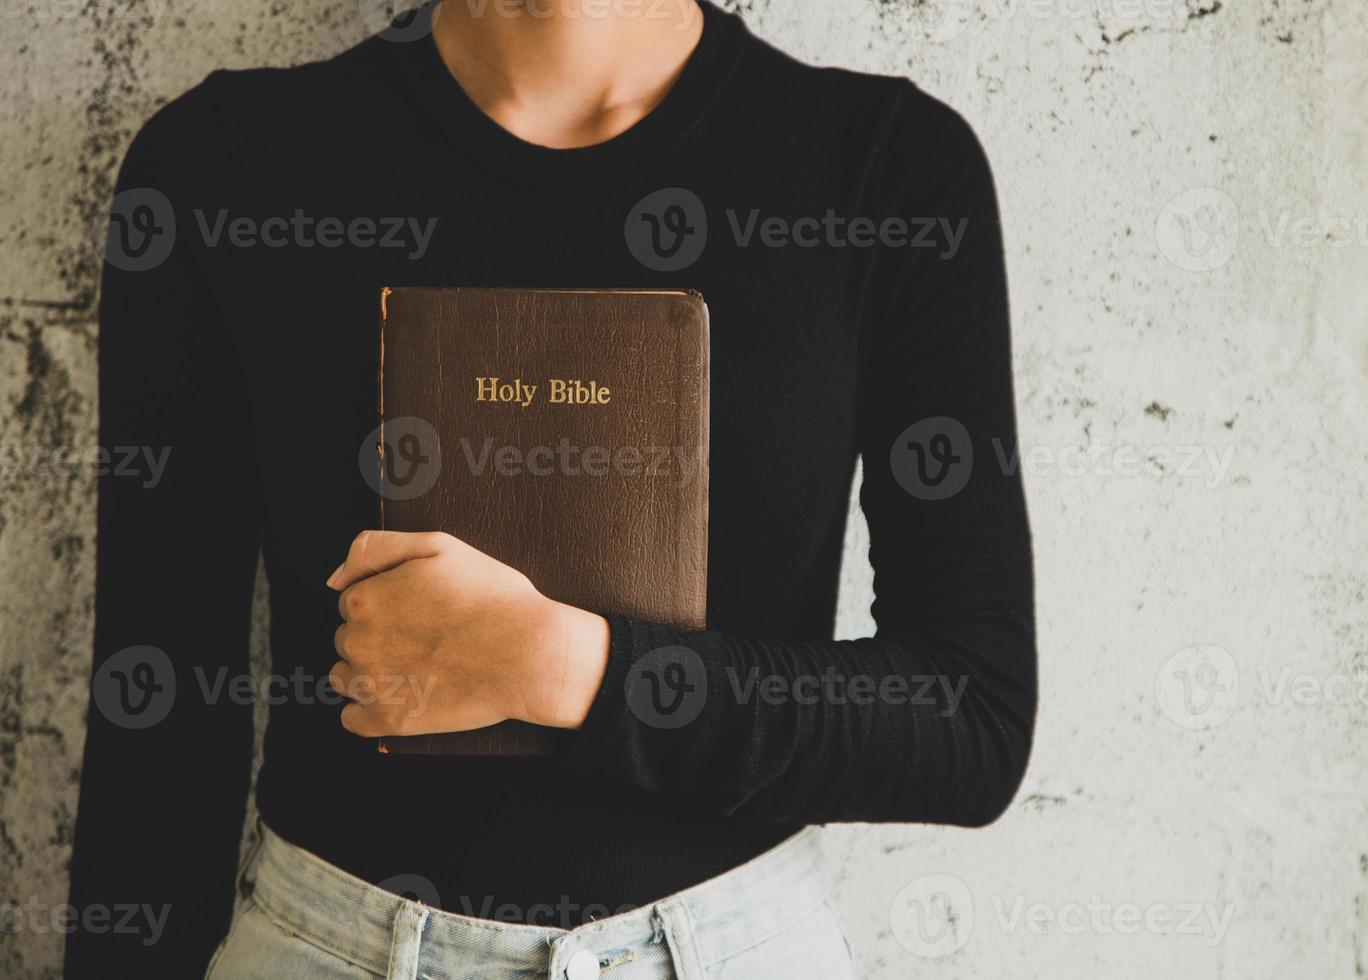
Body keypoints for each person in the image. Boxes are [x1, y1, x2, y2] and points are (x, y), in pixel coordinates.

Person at [66, 0, 1036, 976]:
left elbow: (972, 716)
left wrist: (564, 668)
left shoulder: (890, 170)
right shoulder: (224, 165)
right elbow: (160, 723)